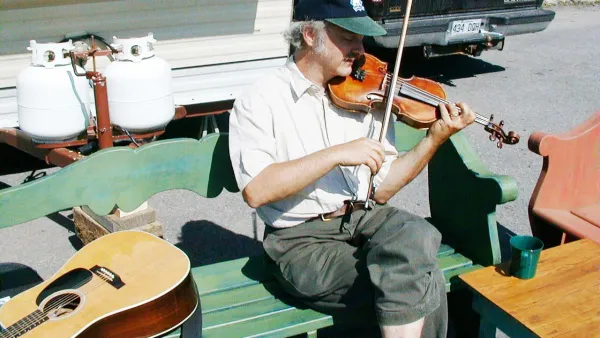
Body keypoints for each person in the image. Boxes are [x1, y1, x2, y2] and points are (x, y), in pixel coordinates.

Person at [228, 0, 476, 336]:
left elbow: (383, 188)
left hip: (364, 217)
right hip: (302, 241)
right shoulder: (262, 98)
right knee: (419, 280)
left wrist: (433, 139)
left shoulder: (368, 93)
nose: (360, 51)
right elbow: (257, 190)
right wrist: (336, 154)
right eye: (348, 38)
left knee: (419, 234)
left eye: (362, 40)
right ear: (310, 35)